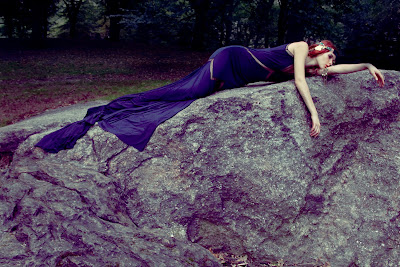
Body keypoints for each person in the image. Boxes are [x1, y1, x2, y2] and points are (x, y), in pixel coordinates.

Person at [35, 40, 385, 153]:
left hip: (237, 78)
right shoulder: (298, 51)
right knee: (182, 92)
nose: (331, 63)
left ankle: (120, 108)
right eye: (329, 57)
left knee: (186, 95)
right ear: (318, 50)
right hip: (230, 59)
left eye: (332, 61)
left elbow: (335, 72)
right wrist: (314, 115)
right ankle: (112, 109)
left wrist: (367, 64)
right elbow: (299, 82)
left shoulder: (314, 66)